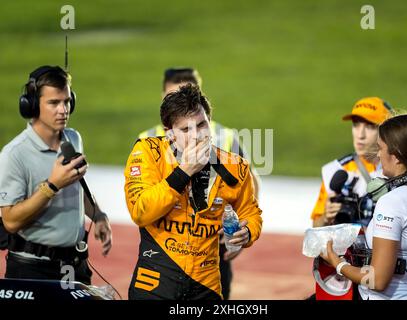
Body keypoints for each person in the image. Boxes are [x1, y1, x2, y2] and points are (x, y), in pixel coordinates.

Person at [124, 83, 262, 300]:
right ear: (170, 134)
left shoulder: (236, 166)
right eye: (186, 130)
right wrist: (184, 171)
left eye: (201, 125)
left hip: (206, 285)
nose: (197, 135)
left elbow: (251, 213)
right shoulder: (148, 152)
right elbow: (141, 211)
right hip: (155, 281)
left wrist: (248, 233)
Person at [0, 66, 112, 284]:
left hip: (75, 266)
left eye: (67, 101)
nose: (63, 110)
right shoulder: (14, 154)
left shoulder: (73, 138)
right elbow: (11, 222)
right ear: (32, 106)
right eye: (53, 103)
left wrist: (98, 215)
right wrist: (52, 186)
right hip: (32, 270)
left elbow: (77, 187)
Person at [321, 113, 407, 300]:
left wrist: (337, 263)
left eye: (381, 148)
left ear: (397, 156)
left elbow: (377, 281)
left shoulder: (393, 202)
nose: (378, 154)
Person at [311, 97, 393, 227]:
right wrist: (326, 217)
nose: (360, 135)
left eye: (370, 126)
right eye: (356, 125)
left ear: (387, 132)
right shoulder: (334, 170)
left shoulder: (400, 168)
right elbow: (316, 226)